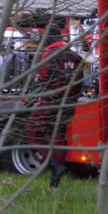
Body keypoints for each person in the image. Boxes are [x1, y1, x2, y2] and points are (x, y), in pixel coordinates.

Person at [24, 26, 85, 187]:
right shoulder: (76, 57)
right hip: (68, 103)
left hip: (50, 102)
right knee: (59, 137)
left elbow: (43, 79)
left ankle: (53, 165)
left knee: (31, 132)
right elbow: (81, 82)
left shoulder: (49, 55)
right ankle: (56, 181)